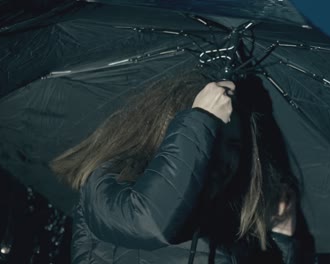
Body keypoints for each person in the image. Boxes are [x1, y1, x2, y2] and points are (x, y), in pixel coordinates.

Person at [50, 69, 301, 264]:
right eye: (213, 139)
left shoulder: (228, 225)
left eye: (234, 146)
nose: (224, 158)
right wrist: (203, 120)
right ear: (171, 131)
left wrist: (281, 237)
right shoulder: (111, 180)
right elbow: (148, 222)